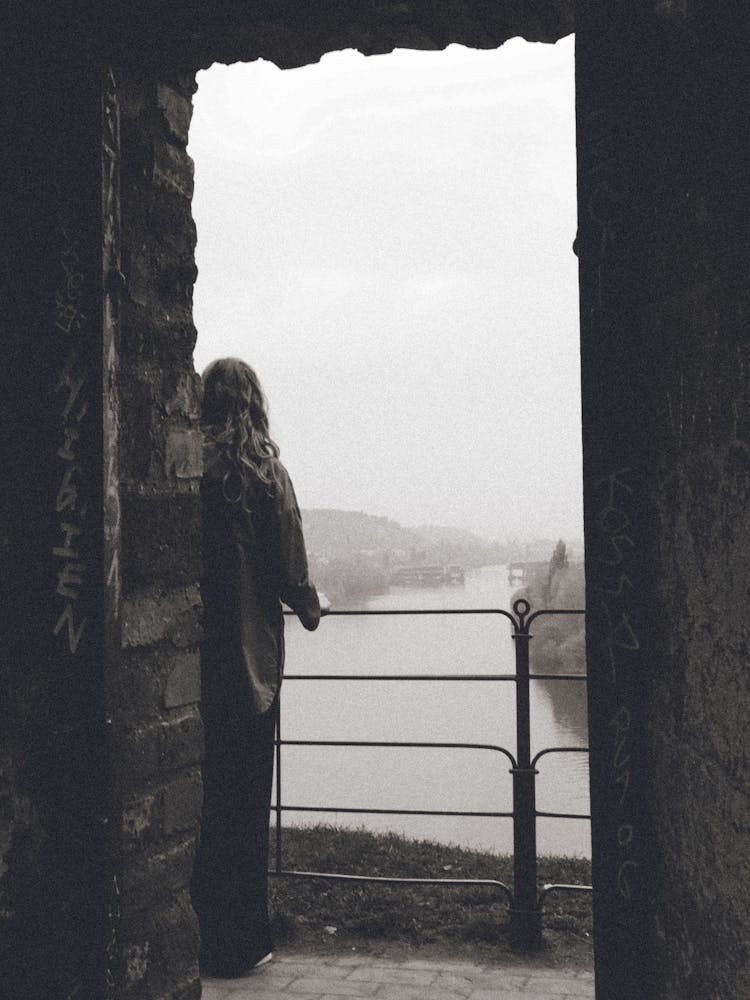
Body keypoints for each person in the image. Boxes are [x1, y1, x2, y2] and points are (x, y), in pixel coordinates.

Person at [191, 357, 327, 977]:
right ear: (254, 404)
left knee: (199, 805)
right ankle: (239, 942)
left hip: (188, 672)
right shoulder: (267, 475)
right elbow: (291, 569)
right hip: (249, 670)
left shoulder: (185, 466)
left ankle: (190, 933)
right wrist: (309, 606)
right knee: (244, 807)